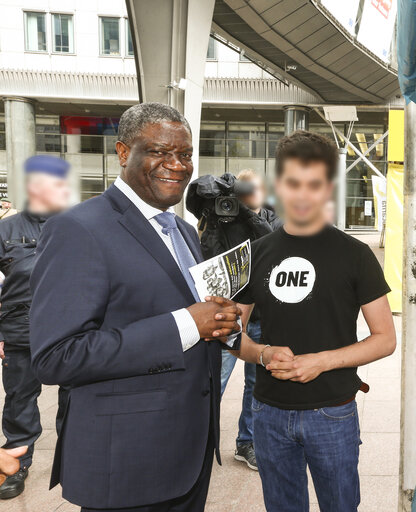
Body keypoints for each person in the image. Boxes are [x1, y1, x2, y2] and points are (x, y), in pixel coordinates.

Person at [29, 103, 242, 512]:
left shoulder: (181, 229)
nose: (176, 165)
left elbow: (176, 311)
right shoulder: (77, 228)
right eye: (160, 151)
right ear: (124, 153)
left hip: (189, 457)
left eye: (185, 154)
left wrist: (216, 319)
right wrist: (186, 324)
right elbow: (56, 357)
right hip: (127, 463)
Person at [233, 131, 397, 512]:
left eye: (314, 185)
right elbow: (231, 335)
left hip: (333, 412)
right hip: (268, 413)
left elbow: (385, 338)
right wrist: (263, 353)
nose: (302, 195)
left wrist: (321, 361)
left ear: (329, 188)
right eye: (292, 183)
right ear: (277, 184)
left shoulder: (356, 255)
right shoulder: (256, 254)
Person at [0, 155, 71, 500]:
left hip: (69, 331)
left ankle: (73, 456)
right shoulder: (5, 230)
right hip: (18, 331)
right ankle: (17, 460)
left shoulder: (76, 226)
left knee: (73, 396)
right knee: (20, 399)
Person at [219, 169, 281, 471]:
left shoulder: (274, 218)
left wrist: (253, 215)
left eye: (254, 188)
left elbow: (275, 248)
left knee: (255, 385)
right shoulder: (226, 220)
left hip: (264, 318)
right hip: (232, 314)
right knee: (215, 379)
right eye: (244, 189)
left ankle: (247, 443)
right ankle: (198, 441)